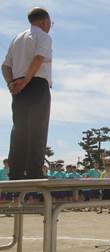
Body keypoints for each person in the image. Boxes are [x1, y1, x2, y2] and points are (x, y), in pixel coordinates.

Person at [2, 7, 53, 180]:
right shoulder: (43, 36)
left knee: (19, 130)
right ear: (44, 21)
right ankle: (34, 175)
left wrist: (11, 83)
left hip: (17, 87)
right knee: (37, 129)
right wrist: (26, 81)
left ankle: (15, 174)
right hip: (36, 83)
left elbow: (5, 66)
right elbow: (39, 58)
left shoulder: (17, 38)